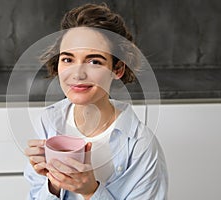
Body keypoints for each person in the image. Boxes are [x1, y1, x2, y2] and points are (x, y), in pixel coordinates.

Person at [24, 3, 168, 200]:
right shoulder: (48, 122)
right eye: (67, 59)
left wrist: (91, 191)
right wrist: (54, 184)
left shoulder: (140, 145)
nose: (78, 73)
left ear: (117, 69)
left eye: (94, 61)